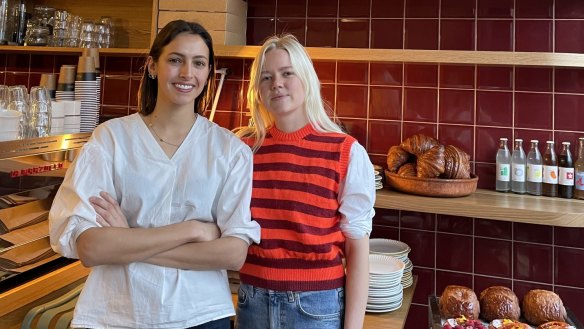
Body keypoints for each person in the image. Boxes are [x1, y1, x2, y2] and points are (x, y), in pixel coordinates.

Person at [49, 20, 260, 329]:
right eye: (175, 60)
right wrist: (191, 230)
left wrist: (127, 240)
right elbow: (92, 248)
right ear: (152, 66)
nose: (187, 73)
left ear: (208, 73)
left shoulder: (230, 151)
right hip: (115, 315)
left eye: (198, 63)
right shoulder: (110, 139)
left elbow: (232, 254)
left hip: (200, 315)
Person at [234, 34, 375, 329]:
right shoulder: (244, 150)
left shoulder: (345, 151)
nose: (277, 84)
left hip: (316, 306)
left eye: (287, 73)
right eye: (266, 77)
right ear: (257, 90)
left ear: (307, 79)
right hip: (252, 301)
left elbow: (358, 250)